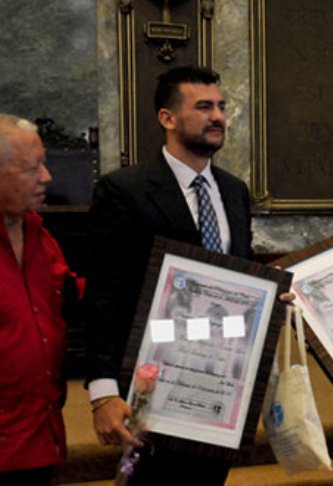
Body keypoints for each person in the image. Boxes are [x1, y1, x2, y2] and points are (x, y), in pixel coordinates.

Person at [83, 66, 253, 484]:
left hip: (221, 385)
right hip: (156, 384)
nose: (218, 116)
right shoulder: (124, 191)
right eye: (203, 107)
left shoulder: (234, 192)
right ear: (167, 118)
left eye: (221, 107)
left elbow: (239, 283)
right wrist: (102, 391)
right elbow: (104, 295)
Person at [0, 115, 81, 484]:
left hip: (39, 440)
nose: (47, 177)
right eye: (32, 168)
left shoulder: (38, 235)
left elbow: (71, 294)